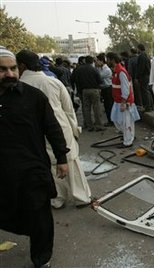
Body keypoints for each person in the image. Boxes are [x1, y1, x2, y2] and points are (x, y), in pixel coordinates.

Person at [0, 46, 69, 268]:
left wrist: (62, 158)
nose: (9, 74)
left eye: (12, 69)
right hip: (3, 172)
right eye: (2, 70)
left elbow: (52, 128)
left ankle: (42, 258)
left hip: (32, 169)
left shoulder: (33, 97)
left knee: (39, 215)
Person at [16, 49, 92, 210]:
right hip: (60, 128)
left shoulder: (19, 86)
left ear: (22, 65)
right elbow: (69, 109)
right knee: (70, 162)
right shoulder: (53, 82)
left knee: (48, 165)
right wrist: (74, 129)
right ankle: (81, 197)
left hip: (36, 133)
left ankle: (57, 198)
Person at [106, 52, 140, 148]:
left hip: (123, 101)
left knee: (125, 122)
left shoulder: (120, 72)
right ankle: (129, 136)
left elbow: (125, 88)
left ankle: (128, 141)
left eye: (108, 59)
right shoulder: (117, 71)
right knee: (121, 121)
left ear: (112, 60)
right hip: (119, 101)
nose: (107, 61)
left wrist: (123, 102)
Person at [70, 55, 104, 132]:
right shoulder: (94, 69)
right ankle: (99, 125)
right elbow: (100, 81)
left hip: (84, 91)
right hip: (94, 90)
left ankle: (89, 125)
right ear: (92, 61)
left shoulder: (78, 69)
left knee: (86, 108)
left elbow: (73, 79)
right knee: (96, 108)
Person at [96, 53, 114, 126]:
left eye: (97, 60)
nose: (96, 62)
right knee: (106, 106)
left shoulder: (106, 70)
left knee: (109, 105)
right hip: (104, 89)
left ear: (102, 61)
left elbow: (98, 77)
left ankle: (111, 121)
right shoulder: (101, 69)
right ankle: (110, 120)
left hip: (108, 89)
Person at [135, 43, 153, 111]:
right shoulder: (146, 55)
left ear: (139, 48)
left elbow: (141, 68)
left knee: (145, 92)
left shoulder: (141, 56)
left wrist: (137, 76)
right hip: (147, 75)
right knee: (147, 91)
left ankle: (147, 106)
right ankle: (150, 106)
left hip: (143, 77)